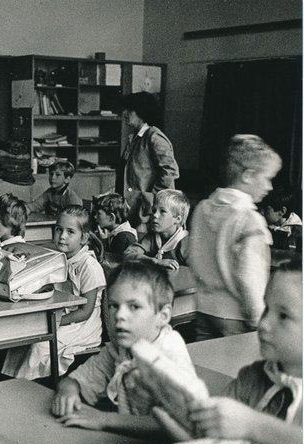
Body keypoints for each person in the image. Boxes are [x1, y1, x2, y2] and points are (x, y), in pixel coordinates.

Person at [52, 260, 195, 421]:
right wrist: (69, 390)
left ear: (163, 316)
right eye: (114, 306)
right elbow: (79, 378)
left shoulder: (168, 357)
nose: (119, 315)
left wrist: (105, 420)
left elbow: (175, 427)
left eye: (134, 307)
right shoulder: (121, 349)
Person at [187, 259, 302, 444]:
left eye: (283, 316)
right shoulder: (252, 378)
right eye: (266, 308)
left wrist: (252, 425)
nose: (264, 324)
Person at [190, 135, 281, 340]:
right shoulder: (250, 219)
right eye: (267, 179)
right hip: (237, 315)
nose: (270, 187)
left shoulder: (202, 209)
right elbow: (250, 277)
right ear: (248, 175)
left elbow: (193, 258)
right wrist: (259, 320)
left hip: (204, 308)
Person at [2, 205, 106, 379]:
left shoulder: (89, 266)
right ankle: (10, 385)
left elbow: (85, 312)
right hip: (60, 317)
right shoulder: (57, 257)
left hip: (82, 326)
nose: (62, 236)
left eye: (70, 232)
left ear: (84, 238)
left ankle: (30, 387)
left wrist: (51, 324)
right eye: (59, 230)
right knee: (20, 340)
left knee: (39, 345)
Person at [115, 92, 179, 232]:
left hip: (147, 211)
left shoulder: (154, 137)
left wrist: (152, 198)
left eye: (129, 110)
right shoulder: (135, 137)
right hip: (132, 206)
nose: (124, 113)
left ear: (141, 112)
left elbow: (170, 171)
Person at [124, 189, 190, 270]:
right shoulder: (153, 236)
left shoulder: (186, 244)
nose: (155, 215)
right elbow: (128, 254)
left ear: (177, 219)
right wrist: (155, 261)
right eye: (154, 210)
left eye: (162, 211)